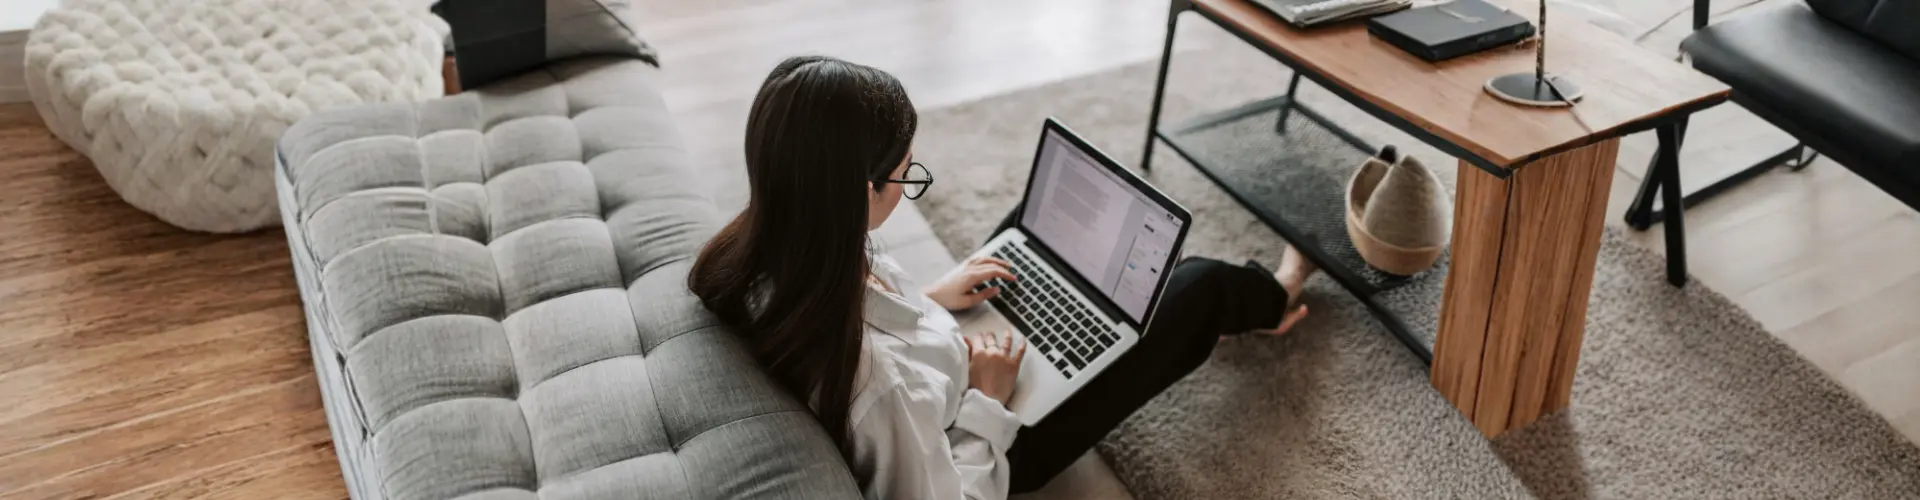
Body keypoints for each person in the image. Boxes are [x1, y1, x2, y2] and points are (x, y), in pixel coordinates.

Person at [689, 55, 1317, 500]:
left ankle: (1135, 291)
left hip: (948, 362)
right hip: (998, 439)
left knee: (1033, 231)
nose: (909, 184)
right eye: (906, 175)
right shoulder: (881, 389)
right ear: (860, 191)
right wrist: (989, 399)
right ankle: (1276, 294)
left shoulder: (774, 247)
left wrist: (930, 299)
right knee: (1202, 286)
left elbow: (863, 320)